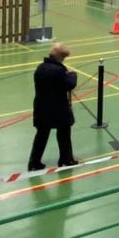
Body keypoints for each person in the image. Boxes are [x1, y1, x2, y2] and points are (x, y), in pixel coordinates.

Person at [28, 43, 78, 171]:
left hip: (41, 107)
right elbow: (69, 84)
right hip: (58, 108)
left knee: (41, 135)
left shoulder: (40, 68)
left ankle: (34, 162)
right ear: (60, 58)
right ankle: (65, 159)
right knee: (64, 133)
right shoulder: (59, 71)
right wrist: (73, 74)